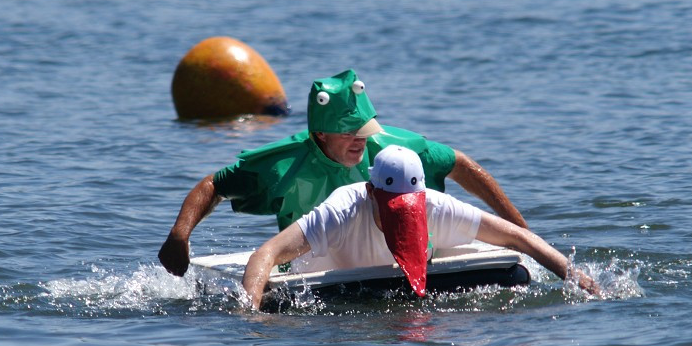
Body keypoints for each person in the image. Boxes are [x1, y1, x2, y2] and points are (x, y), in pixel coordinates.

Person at [159, 69, 528, 277]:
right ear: (320, 134)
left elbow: (460, 164)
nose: (361, 142)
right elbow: (213, 185)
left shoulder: (393, 150)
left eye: (364, 132)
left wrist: (519, 228)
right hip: (313, 268)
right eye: (349, 135)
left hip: (404, 258)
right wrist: (180, 234)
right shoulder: (280, 165)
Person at [242, 146, 597, 310]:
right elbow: (266, 254)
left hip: (396, 292)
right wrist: (249, 316)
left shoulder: (434, 205)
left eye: (410, 209)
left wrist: (574, 276)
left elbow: (520, 238)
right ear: (371, 192)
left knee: (516, 277)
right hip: (335, 285)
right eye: (395, 209)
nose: (405, 218)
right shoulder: (343, 209)